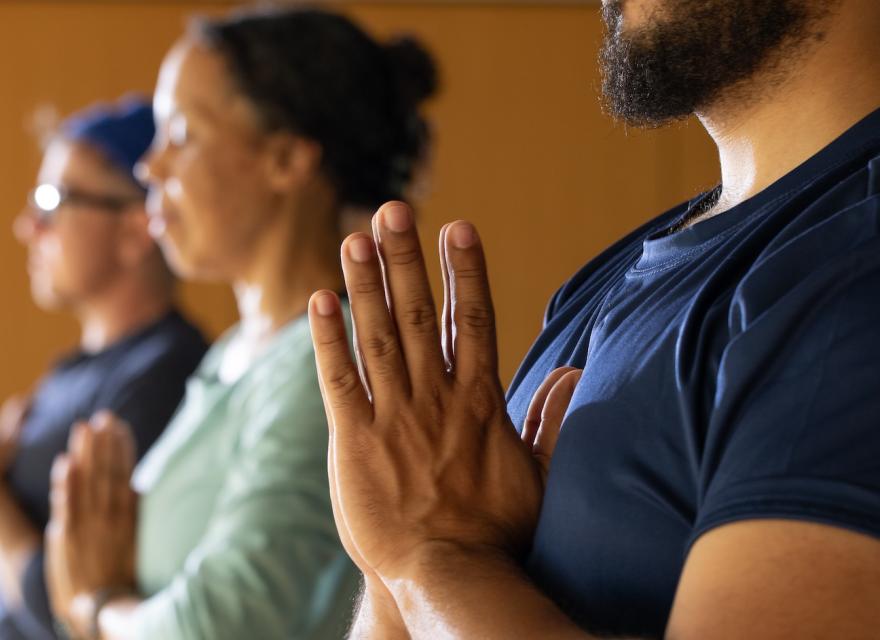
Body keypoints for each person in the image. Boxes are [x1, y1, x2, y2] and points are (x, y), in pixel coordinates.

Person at [308, 0, 880, 637]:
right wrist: (402, 561)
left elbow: (428, 564)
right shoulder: (609, 278)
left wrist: (433, 561)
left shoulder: (858, 272)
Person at [44, 7, 438, 640]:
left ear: (285, 160)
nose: (151, 167)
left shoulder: (325, 366)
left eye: (181, 134)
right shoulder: (237, 351)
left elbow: (224, 624)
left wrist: (96, 608)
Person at [0, 99, 208, 640]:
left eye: (53, 201)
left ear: (137, 228)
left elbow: (75, 612)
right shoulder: (73, 370)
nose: (28, 227)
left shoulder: (164, 375)